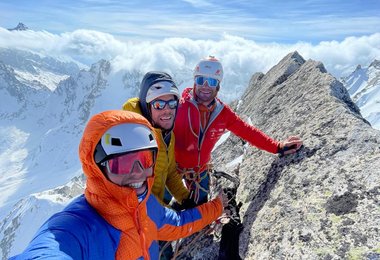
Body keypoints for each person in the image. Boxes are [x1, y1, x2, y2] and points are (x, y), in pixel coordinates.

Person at [10, 110, 225, 260]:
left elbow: (179, 222)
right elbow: (48, 250)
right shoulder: (76, 227)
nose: (138, 173)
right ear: (97, 168)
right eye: (122, 164)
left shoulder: (148, 206)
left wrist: (218, 206)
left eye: (146, 160)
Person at [174, 56, 303, 205]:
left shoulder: (222, 114)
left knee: (197, 212)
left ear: (218, 86)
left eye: (212, 82)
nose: (205, 86)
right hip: (172, 171)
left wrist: (277, 147)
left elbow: (247, 132)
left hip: (199, 172)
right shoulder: (178, 107)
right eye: (201, 80)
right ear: (194, 81)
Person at [122, 71, 190, 207]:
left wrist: (186, 199)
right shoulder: (132, 141)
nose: (167, 110)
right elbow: (139, 196)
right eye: (159, 104)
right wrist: (172, 214)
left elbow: (170, 173)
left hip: (153, 212)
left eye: (172, 103)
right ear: (147, 108)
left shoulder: (167, 135)